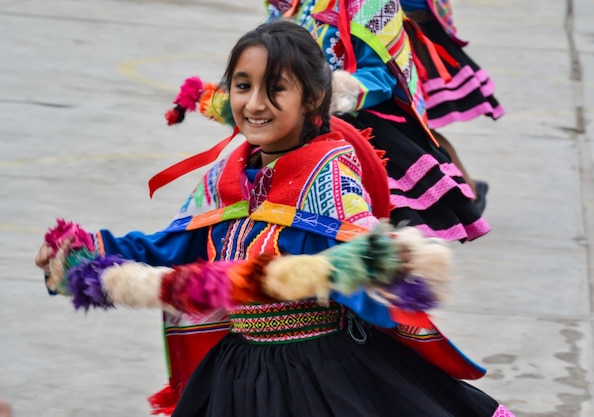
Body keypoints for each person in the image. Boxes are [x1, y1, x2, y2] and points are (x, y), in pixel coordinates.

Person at [36, 21, 515, 417]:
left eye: (276, 89)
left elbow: (353, 250)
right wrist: (86, 251)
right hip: (239, 372)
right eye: (243, 86)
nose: (255, 103)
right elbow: (177, 244)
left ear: (312, 98)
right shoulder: (231, 172)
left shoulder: (329, 171)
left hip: (319, 375)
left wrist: (374, 264)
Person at [263, 0, 491, 240]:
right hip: (297, 125)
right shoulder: (288, 3)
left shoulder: (371, 4)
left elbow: (381, 75)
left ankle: (468, 193)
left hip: (364, 128)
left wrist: (338, 92)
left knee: (373, 232)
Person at [401, 0, 505, 213]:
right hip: (404, 37)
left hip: (415, 39)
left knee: (417, 128)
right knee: (414, 128)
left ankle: (470, 191)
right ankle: (468, 189)